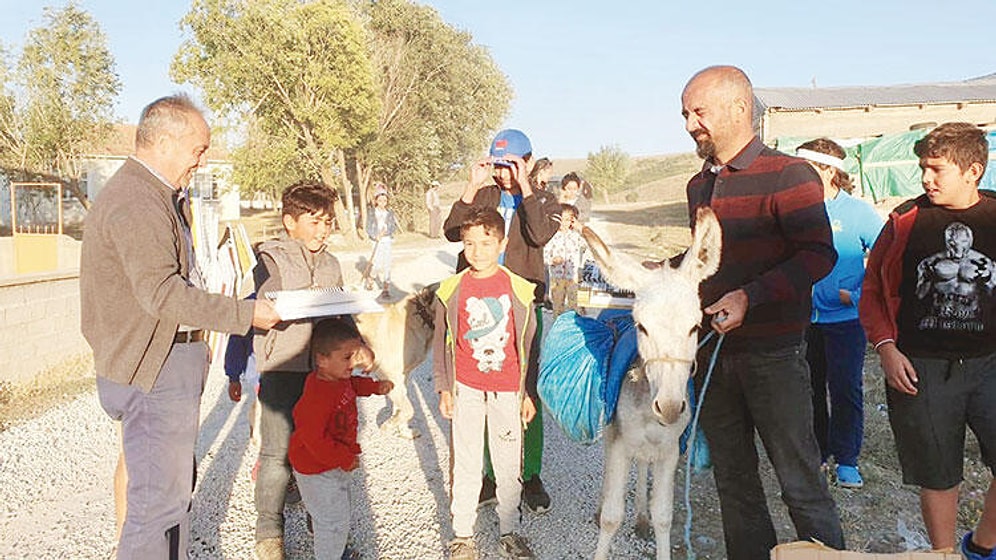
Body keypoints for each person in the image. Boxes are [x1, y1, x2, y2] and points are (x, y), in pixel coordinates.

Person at [80, 93, 281, 559]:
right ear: (166, 142)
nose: (203, 159)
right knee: (156, 510)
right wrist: (245, 314)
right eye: (199, 148)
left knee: (170, 500)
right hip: (153, 374)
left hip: (161, 363)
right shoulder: (137, 201)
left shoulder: (153, 196)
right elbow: (163, 294)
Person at [679, 66, 844, 560]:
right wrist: (659, 274)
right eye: (684, 113)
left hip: (775, 357)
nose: (689, 123)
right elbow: (705, 261)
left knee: (799, 480)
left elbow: (818, 254)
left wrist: (751, 296)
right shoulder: (697, 186)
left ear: (739, 109)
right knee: (734, 483)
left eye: (698, 111)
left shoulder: (789, 174)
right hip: (712, 357)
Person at [860, 122, 996, 558]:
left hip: (990, 363)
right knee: (938, 473)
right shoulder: (906, 221)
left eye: (937, 169)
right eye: (923, 168)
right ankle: (943, 554)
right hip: (921, 367)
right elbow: (871, 291)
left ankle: (982, 545)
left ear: (973, 170)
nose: (925, 179)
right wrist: (886, 347)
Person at [253, 181, 375, 560]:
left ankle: (322, 522)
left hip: (322, 377)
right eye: (314, 221)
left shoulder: (332, 264)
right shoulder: (269, 260)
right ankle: (269, 531)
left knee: (321, 451)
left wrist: (358, 344)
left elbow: (340, 314)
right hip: (281, 370)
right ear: (290, 222)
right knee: (276, 455)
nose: (322, 231)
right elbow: (258, 308)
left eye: (327, 222)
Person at [443, 128, 560, 513]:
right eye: (498, 166)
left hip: (522, 305)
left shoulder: (544, 198)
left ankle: (531, 474)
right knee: (483, 388)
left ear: (527, 161)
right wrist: (471, 188)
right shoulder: (486, 194)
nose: (503, 174)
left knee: (525, 389)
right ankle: (491, 476)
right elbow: (449, 232)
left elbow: (541, 234)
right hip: (479, 305)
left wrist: (525, 187)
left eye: (511, 166)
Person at [433, 208, 539, 560]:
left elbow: (527, 346)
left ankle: (508, 529)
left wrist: (526, 392)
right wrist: (444, 386)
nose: (477, 251)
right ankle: (463, 535)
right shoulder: (451, 290)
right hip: (467, 388)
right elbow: (441, 340)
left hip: (508, 390)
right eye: (469, 243)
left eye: (486, 242)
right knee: (465, 460)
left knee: (508, 462)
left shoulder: (520, 290)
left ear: (502, 243)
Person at [796, 138, 884, 489]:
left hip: (845, 321)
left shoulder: (857, 212)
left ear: (830, 171)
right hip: (805, 320)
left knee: (845, 388)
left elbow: (886, 258)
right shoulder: (797, 213)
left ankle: (847, 459)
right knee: (810, 389)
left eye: (808, 171)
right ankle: (817, 454)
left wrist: (859, 295)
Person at [288, 317, 393, 560]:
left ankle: (332, 547)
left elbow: (353, 385)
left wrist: (374, 388)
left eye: (355, 355)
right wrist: (344, 458)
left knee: (332, 513)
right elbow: (314, 440)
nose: (354, 362)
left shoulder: (337, 379)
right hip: (315, 467)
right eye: (347, 357)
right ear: (322, 360)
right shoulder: (316, 397)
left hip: (331, 462)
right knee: (333, 520)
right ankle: (329, 553)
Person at [543, 204, 584, 316]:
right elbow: (544, 255)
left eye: (567, 220)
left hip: (573, 278)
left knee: (574, 304)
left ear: (572, 221)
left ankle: (574, 326)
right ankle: (557, 326)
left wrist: (579, 227)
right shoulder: (551, 236)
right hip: (556, 278)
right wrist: (552, 260)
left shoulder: (576, 236)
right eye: (561, 220)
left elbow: (587, 243)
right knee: (557, 305)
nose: (563, 223)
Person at [365, 185, 398, 300]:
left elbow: (393, 227)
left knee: (387, 264)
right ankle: (370, 279)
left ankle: (385, 289)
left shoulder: (390, 213)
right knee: (377, 264)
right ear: (376, 200)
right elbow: (368, 227)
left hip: (387, 240)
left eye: (385, 200)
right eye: (380, 200)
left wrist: (386, 232)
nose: (382, 202)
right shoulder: (371, 212)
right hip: (376, 241)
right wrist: (375, 235)